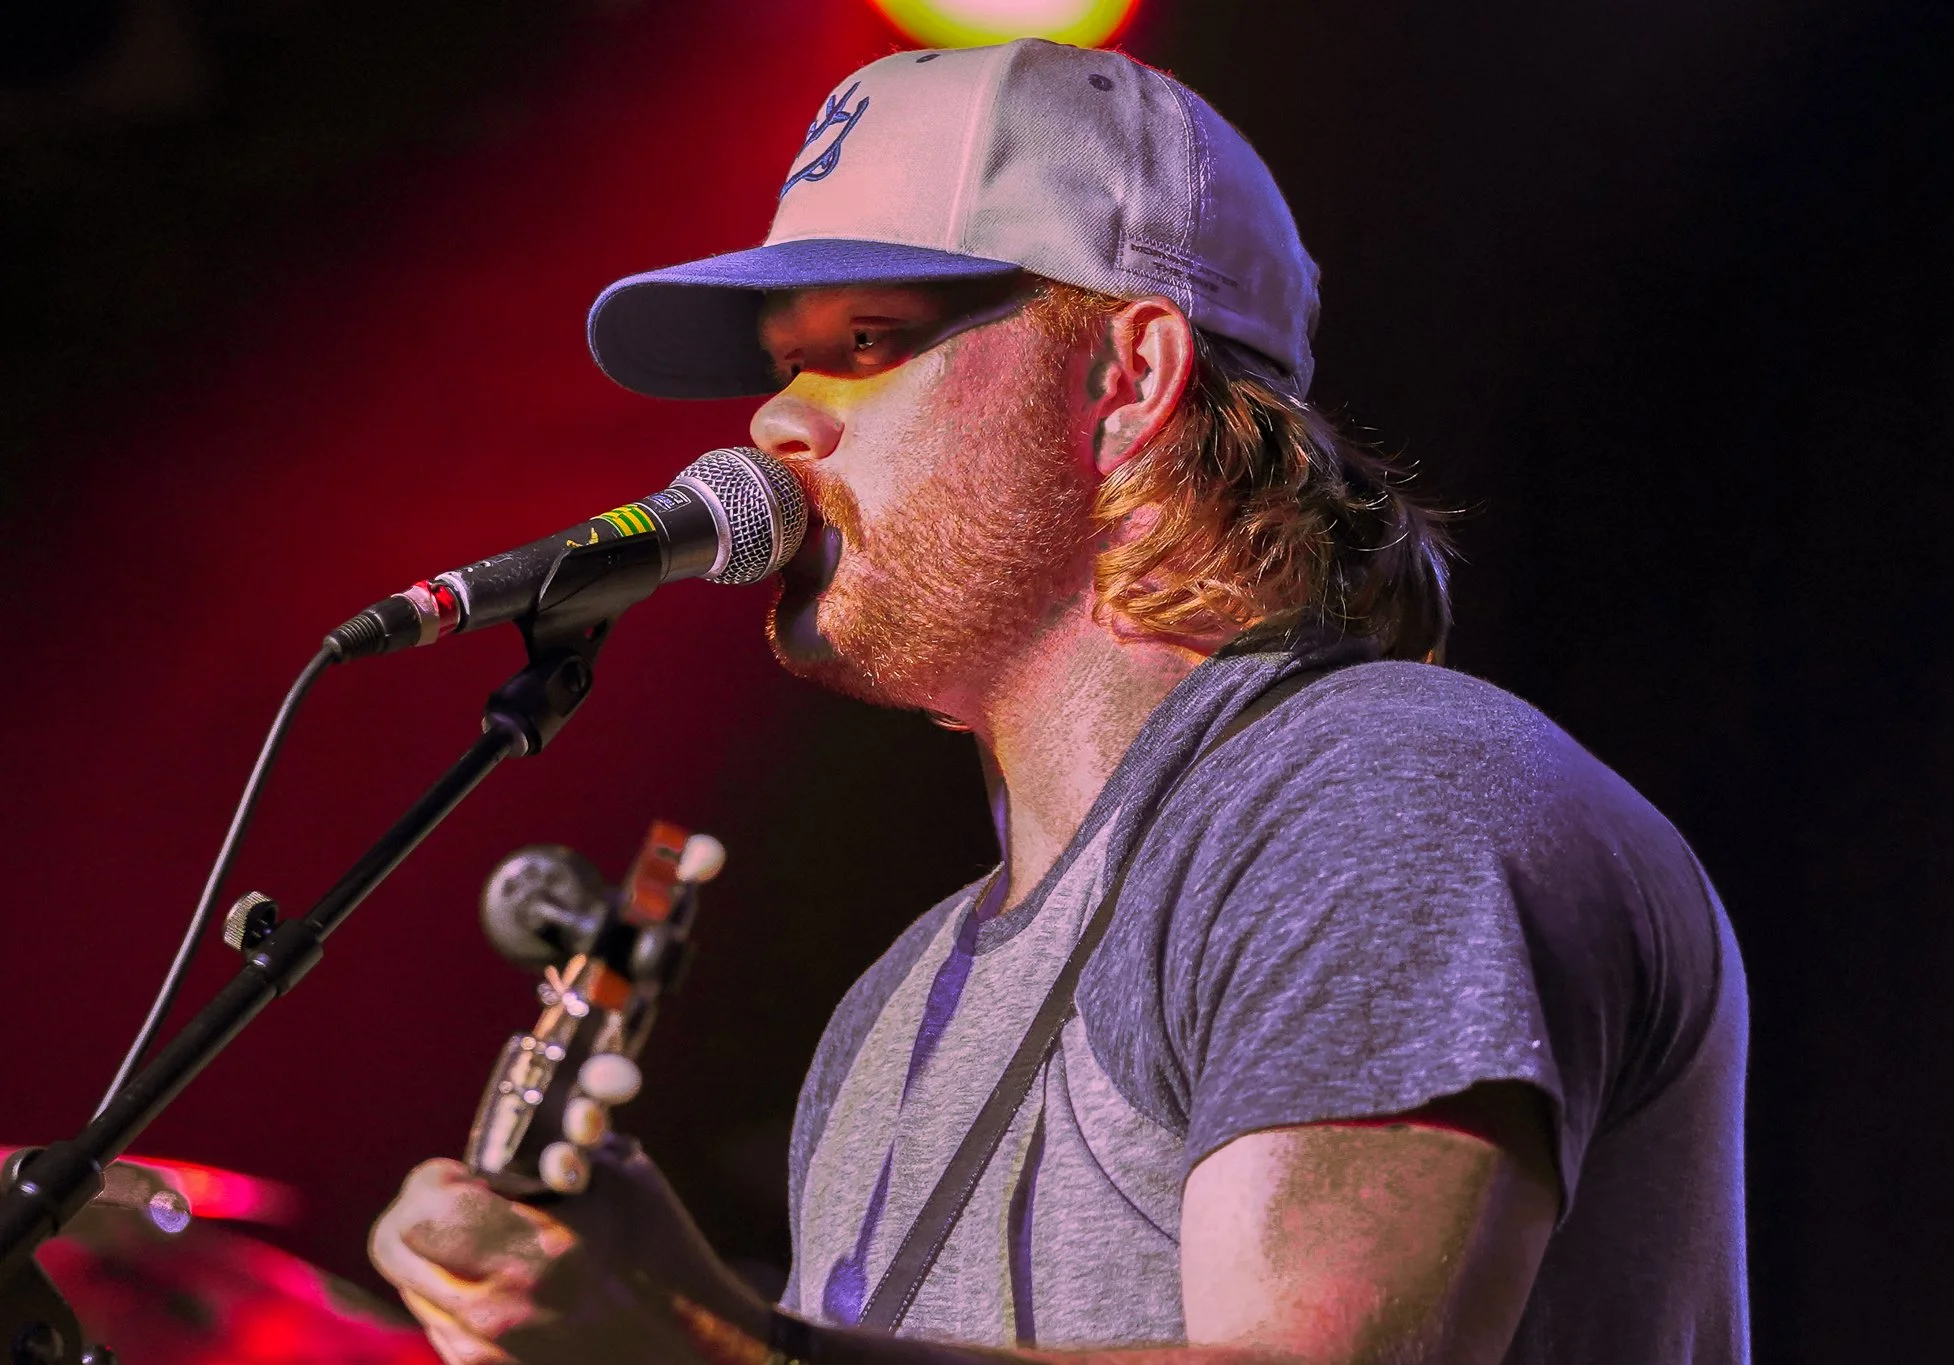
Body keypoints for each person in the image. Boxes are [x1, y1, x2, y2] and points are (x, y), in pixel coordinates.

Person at [370, 38, 1750, 1365]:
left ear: (1128, 379)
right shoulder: (890, 1015)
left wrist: (714, 1349)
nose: (774, 423)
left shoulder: (1386, 795)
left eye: (867, 338)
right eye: (783, 362)